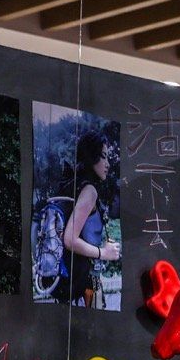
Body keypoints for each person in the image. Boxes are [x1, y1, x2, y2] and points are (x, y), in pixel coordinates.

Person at [62, 130, 120, 309]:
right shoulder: (89, 191)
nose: (107, 164)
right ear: (91, 156)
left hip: (68, 278)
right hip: (85, 282)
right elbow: (69, 239)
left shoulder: (71, 185)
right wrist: (104, 253)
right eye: (103, 157)